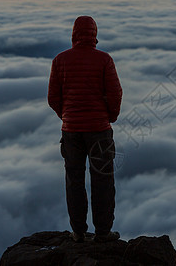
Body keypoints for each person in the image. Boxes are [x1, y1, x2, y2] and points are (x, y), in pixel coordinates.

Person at [48, 16, 123, 243]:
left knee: (74, 180)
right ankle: (102, 233)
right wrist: (110, 117)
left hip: (71, 132)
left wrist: (67, 116)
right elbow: (115, 93)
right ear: (94, 34)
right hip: (99, 130)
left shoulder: (60, 60)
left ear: (74, 34)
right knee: (103, 180)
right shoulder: (104, 60)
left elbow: (53, 98)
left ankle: (78, 233)